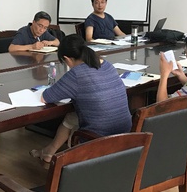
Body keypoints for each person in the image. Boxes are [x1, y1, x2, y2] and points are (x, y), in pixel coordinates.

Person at [29, 34, 132, 166]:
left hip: (98, 138)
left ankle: (61, 159)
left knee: (76, 116)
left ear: (67, 59)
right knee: (72, 116)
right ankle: (49, 152)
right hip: (125, 132)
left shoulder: (76, 74)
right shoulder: (107, 65)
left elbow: (46, 97)